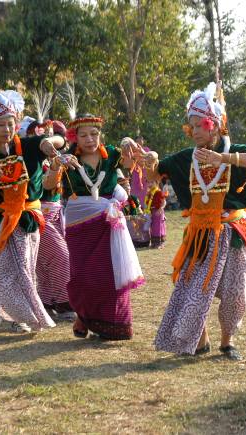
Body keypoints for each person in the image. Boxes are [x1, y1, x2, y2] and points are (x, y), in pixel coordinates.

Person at [141, 81, 246, 360]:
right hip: (200, 234)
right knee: (192, 288)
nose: (195, 131)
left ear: (216, 125)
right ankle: (201, 339)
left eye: (201, 125)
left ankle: (227, 342)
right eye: (192, 126)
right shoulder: (186, 158)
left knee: (235, 292)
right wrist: (150, 159)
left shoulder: (234, 151)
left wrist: (223, 158)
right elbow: (155, 174)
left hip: (231, 233)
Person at [0, 86, 70, 333]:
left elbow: (62, 140)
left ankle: (20, 317)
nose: (7, 129)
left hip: (25, 220)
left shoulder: (29, 146)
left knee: (21, 269)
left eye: (11, 124)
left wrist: (49, 143)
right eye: (1, 125)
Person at [62, 117, 144, 340]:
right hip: (79, 225)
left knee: (110, 274)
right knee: (82, 275)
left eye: (94, 134)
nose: (90, 139)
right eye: (83, 135)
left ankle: (112, 323)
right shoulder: (68, 160)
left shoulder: (112, 155)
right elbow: (49, 185)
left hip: (108, 222)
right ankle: (83, 315)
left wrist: (127, 141)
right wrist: (55, 166)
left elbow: (132, 161)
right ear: (75, 137)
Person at [34, 121, 75, 322]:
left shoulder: (57, 155)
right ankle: (65, 303)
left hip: (56, 213)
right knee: (61, 256)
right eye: (44, 135)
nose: (50, 141)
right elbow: (46, 184)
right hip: (38, 214)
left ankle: (47, 302)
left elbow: (60, 141)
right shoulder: (34, 158)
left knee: (45, 262)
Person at [145, 179, 167, 249]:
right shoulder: (149, 193)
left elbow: (164, 202)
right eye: (149, 182)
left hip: (158, 212)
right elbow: (147, 203)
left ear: (157, 183)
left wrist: (161, 208)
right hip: (152, 212)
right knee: (153, 228)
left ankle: (159, 243)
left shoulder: (159, 192)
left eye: (152, 182)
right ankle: (154, 243)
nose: (150, 184)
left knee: (158, 227)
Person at [130, 135, 150, 200]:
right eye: (138, 140)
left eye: (141, 140)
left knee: (145, 190)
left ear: (143, 141)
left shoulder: (146, 149)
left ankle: (144, 204)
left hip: (144, 173)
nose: (140, 141)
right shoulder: (133, 150)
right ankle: (134, 202)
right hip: (136, 172)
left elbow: (149, 159)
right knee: (134, 190)